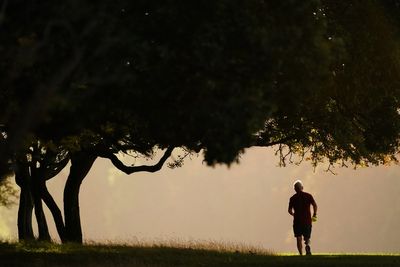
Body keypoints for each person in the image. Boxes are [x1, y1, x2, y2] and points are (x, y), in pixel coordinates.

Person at [288, 180, 317, 255]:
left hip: (297, 221)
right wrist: (314, 214)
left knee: (298, 237)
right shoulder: (308, 196)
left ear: (295, 189)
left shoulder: (292, 198)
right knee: (307, 237)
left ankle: (301, 254)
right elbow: (314, 205)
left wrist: (294, 214)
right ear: (302, 187)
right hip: (307, 220)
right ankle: (307, 245)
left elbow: (289, 210)